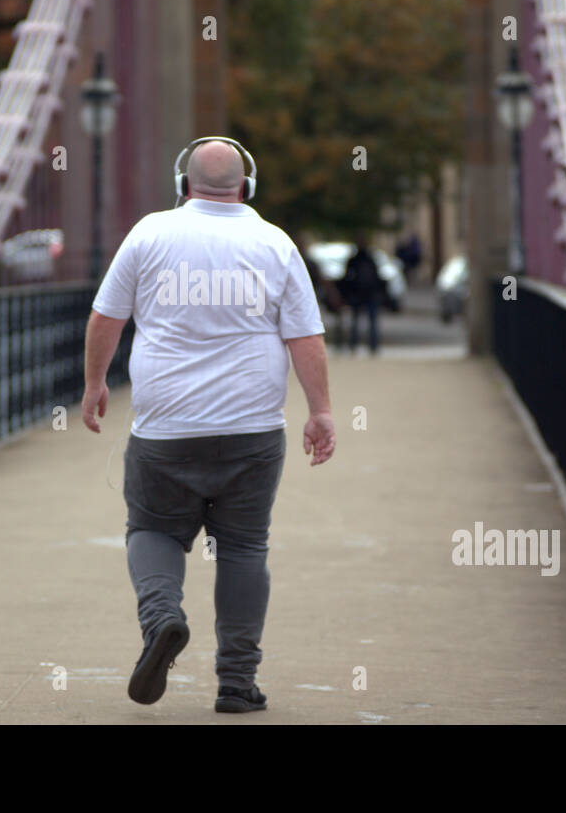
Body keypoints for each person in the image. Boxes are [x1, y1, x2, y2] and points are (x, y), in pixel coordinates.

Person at [80, 138, 336, 714]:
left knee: (152, 531)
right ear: (247, 186)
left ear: (182, 184)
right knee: (244, 548)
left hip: (164, 428)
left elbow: (106, 317)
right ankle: (237, 684)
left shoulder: (149, 233)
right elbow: (305, 338)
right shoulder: (275, 242)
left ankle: (163, 620)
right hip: (252, 430)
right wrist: (319, 411)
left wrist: (96, 383)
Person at [340, 234, 385, 353]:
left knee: (368, 322)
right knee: (361, 322)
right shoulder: (361, 260)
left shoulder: (366, 260)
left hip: (365, 294)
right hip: (361, 295)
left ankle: (369, 345)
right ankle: (360, 345)